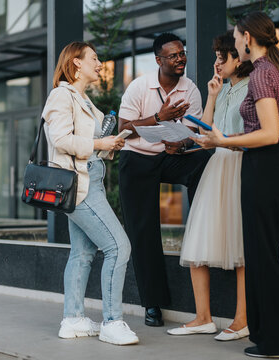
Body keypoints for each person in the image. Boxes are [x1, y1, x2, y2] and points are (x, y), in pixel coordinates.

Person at [167, 32, 279, 341]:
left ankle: (242, 319)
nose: (216, 62)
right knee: (199, 242)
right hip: (217, 167)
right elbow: (208, 130)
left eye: (220, 57)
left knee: (243, 247)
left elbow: (258, 136)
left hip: (242, 168)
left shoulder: (255, 85)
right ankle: (203, 317)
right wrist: (212, 95)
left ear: (236, 58)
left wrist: (223, 141)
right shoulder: (225, 89)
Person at [42, 41, 138, 346]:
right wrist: (101, 144)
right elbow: (60, 139)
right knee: (118, 247)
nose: (99, 64)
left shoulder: (83, 99)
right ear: (75, 64)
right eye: (94, 59)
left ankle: (72, 319)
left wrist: (111, 144)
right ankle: (112, 321)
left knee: (82, 253)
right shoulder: (62, 95)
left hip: (87, 181)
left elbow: (91, 142)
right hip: (80, 187)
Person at [118, 33, 211, 327]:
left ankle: (205, 222)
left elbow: (193, 135)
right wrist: (158, 118)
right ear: (159, 60)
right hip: (138, 159)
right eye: (173, 55)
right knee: (143, 231)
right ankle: (152, 304)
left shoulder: (191, 90)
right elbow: (123, 130)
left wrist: (180, 145)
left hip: (170, 156)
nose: (180, 59)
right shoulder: (139, 86)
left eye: (182, 53)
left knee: (205, 161)